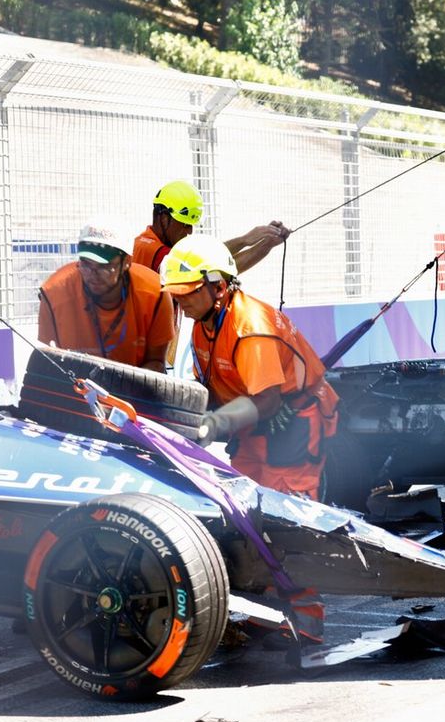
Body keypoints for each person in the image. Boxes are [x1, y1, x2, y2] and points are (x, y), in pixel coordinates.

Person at [159, 233, 339, 502]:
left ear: (219, 288)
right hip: (252, 423)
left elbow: (268, 400)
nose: (180, 300)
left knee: (285, 510)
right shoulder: (203, 324)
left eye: (187, 291)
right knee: (244, 499)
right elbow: (211, 387)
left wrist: (215, 422)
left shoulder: (250, 328)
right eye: (175, 292)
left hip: (292, 420)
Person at [38, 219, 175, 371]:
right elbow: (46, 364)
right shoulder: (53, 294)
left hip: (134, 383)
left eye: (103, 266)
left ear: (126, 262)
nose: (92, 274)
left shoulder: (155, 294)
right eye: (86, 264)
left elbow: (156, 363)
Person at [133, 179, 292, 275]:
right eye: (185, 224)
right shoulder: (157, 253)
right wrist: (264, 244)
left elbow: (207, 256)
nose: (189, 231)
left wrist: (248, 240)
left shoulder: (148, 241)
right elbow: (217, 271)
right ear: (164, 218)